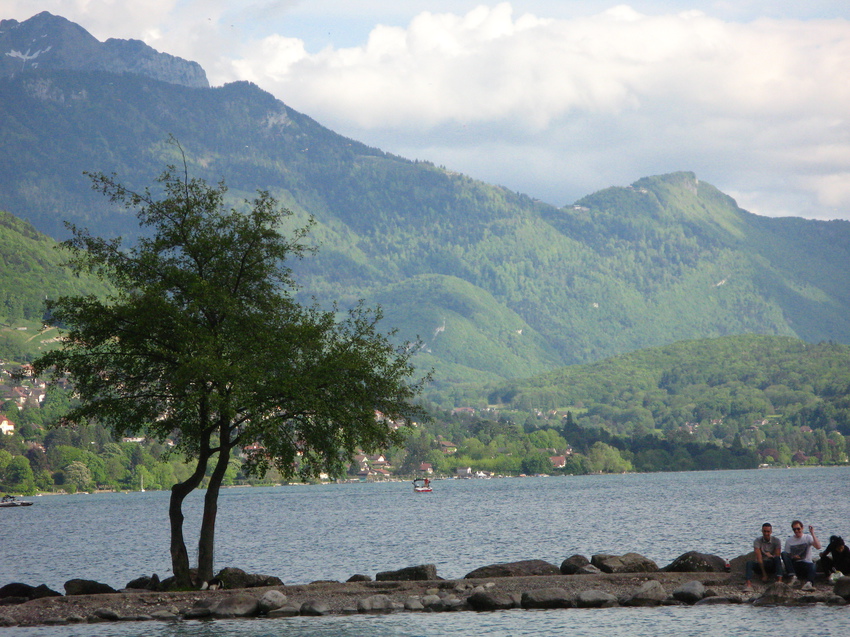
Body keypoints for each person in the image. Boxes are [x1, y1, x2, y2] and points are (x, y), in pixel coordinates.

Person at [781, 520, 821, 590]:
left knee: (814, 565)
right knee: (783, 553)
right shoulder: (789, 540)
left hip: (806, 564)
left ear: (802, 528)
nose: (796, 531)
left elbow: (818, 547)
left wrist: (812, 534)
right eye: (794, 529)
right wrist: (793, 557)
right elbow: (787, 555)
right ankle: (793, 577)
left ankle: (809, 583)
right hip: (795, 564)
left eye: (798, 529)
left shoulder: (807, 537)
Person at [744, 522, 783, 591]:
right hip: (762, 563)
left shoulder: (776, 541)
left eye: (768, 531)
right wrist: (764, 574)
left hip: (771, 563)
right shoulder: (757, 541)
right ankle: (748, 584)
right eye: (764, 531)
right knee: (749, 563)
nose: (766, 533)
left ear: (771, 532)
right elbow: (759, 558)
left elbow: (777, 555)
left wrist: (771, 556)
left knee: (777, 559)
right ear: (762, 531)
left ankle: (779, 582)